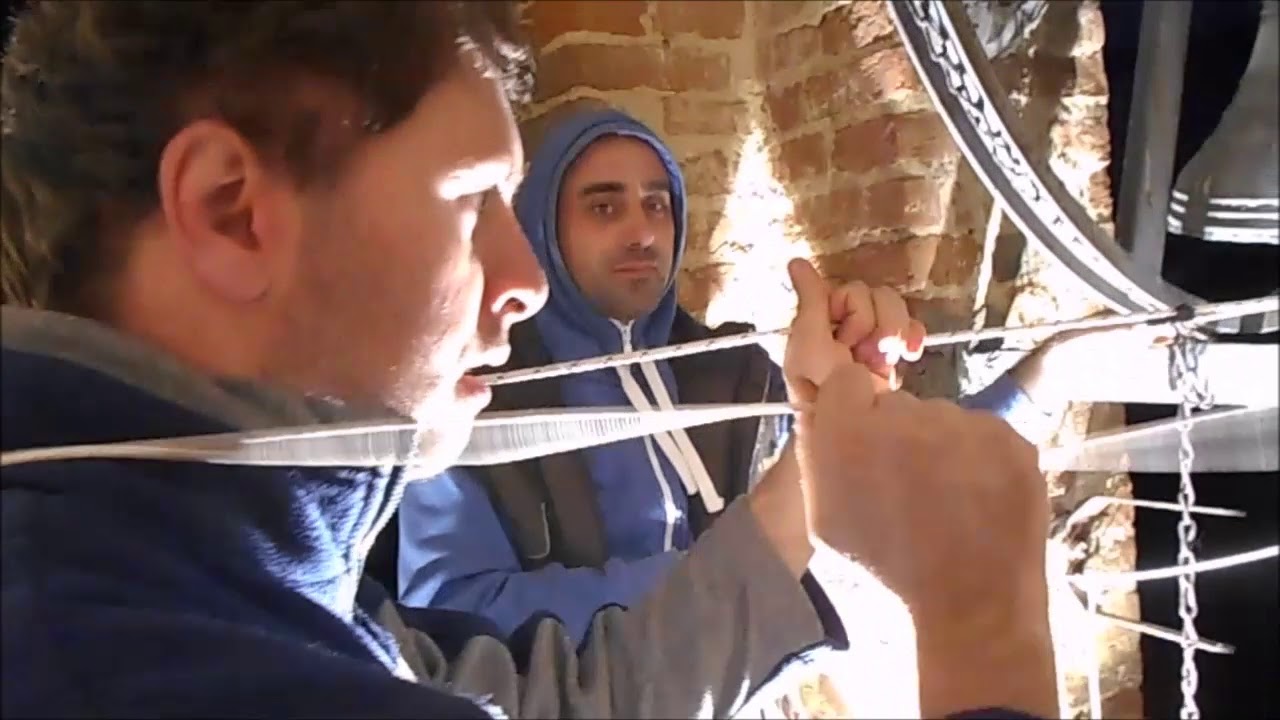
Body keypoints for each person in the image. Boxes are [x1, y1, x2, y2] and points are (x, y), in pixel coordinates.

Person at [2, 2, 1059, 718]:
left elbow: (570, 699)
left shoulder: (209, 578)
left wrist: (821, 463)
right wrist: (981, 625)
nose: (527, 274)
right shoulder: (143, 666)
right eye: (471, 201)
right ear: (233, 212)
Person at [392, 105, 1086, 649]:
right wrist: (736, 574)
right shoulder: (476, 403)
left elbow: (901, 479)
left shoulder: (739, 375)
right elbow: (450, 614)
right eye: (604, 207)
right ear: (544, 227)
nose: (641, 231)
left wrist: (1050, 375)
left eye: (657, 204)